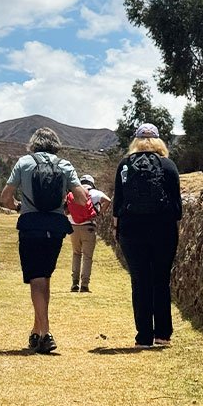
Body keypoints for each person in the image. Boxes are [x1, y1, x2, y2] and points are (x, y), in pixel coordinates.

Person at [1, 128, 87, 353]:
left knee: (37, 280)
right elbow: (81, 198)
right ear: (55, 144)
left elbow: (5, 197)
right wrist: (63, 205)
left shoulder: (24, 163)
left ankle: (46, 333)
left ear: (34, 144)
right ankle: (36, 332)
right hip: (55, 227)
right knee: (44, 278)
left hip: (30, 225)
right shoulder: (65, 164)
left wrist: (19, 206)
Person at [112, 123, 182, 349]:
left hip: (131, 230)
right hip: (163, 229)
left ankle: (143, 336)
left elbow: (118, 205)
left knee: (140, 280)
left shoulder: (124, 166)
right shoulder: (169, 166)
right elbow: (177, 209)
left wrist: (118, 229)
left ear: (136, 141)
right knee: (161, 280)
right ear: (159, 142)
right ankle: (162, 334)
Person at [66, 174, 112, 293]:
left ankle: (74, 283)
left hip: (73, 227)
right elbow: (108, 200)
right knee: (87, 257)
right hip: (89, 227)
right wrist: (100, 213)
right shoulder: (95, 193)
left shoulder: (75, 192)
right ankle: (84, 285)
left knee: (76, 254)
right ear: (92, 183)